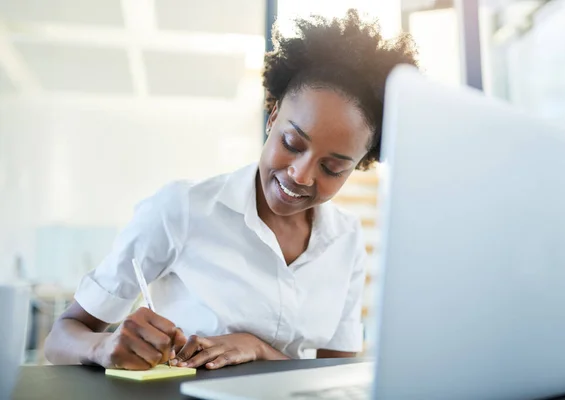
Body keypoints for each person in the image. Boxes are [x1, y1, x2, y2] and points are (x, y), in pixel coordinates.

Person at [44, 9, 418, 371]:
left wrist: (258, 349)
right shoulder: (181, 209)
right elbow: (60, 338)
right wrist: (102, 346)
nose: (301, 176)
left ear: (357, 166)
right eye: (292, 142)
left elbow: (334, 379)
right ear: (272, 117)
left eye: (332, 167)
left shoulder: (346, 240)